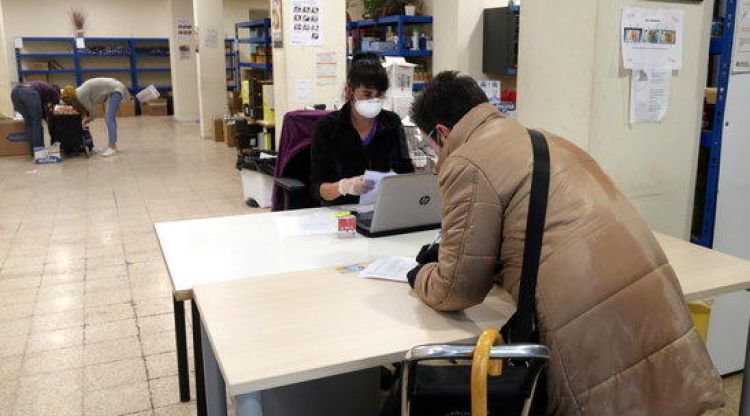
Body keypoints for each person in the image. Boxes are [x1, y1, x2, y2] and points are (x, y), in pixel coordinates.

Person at [406, 71, 723, 415]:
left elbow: (456, 289)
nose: (436, 154)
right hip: (652, 305)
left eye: (431, 146)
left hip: (591, 323)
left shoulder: (466, 160)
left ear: (442, 132)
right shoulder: (543, 139)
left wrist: (421, 274)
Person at [310, 52, 414, 205]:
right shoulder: (328, 127)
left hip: (382, 208)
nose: (374, 100)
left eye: (379, 95)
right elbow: (318, 188)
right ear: (349, 91)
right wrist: (343, 187)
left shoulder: (391, 123)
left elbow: (406, 171)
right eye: (367, 94)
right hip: (341, 211)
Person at [61, 78, 130, 157]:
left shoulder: (80, 96)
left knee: (109, 118)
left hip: (115, 90)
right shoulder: (77, 91)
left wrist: (84, 122)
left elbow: (93, 113)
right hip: (114, 88)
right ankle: (112, 145)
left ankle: (112, 147)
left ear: (71, 98)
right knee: (110, 118)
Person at [10, 81, 60, 154]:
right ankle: (39, 152)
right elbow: (55, 104)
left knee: (29, 124)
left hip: (15, 93)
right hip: (29, 93)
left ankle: (33, 151)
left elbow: (42, 111)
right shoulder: (52, 90)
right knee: (36, 124)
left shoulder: (42, 90)